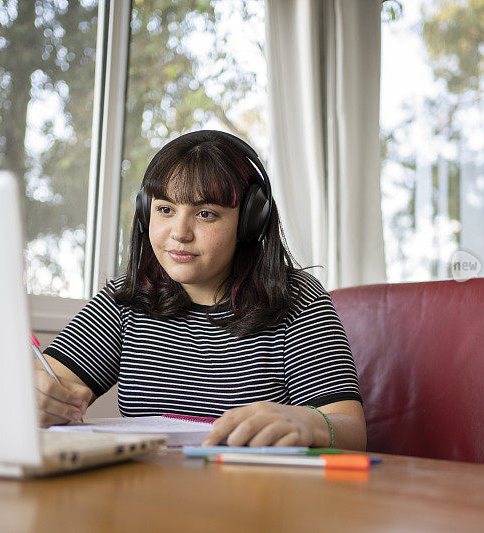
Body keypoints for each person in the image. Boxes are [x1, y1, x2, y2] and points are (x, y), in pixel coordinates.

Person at [35, 130, 366, 450]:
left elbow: (350, 430)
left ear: (250, 221)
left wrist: (309, 422)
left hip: (257, 497)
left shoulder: (296, 299)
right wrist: (40, 399)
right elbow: (57, 388)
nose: (180, 232)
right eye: (165, 209)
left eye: (206, 214)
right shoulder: (127, 298)